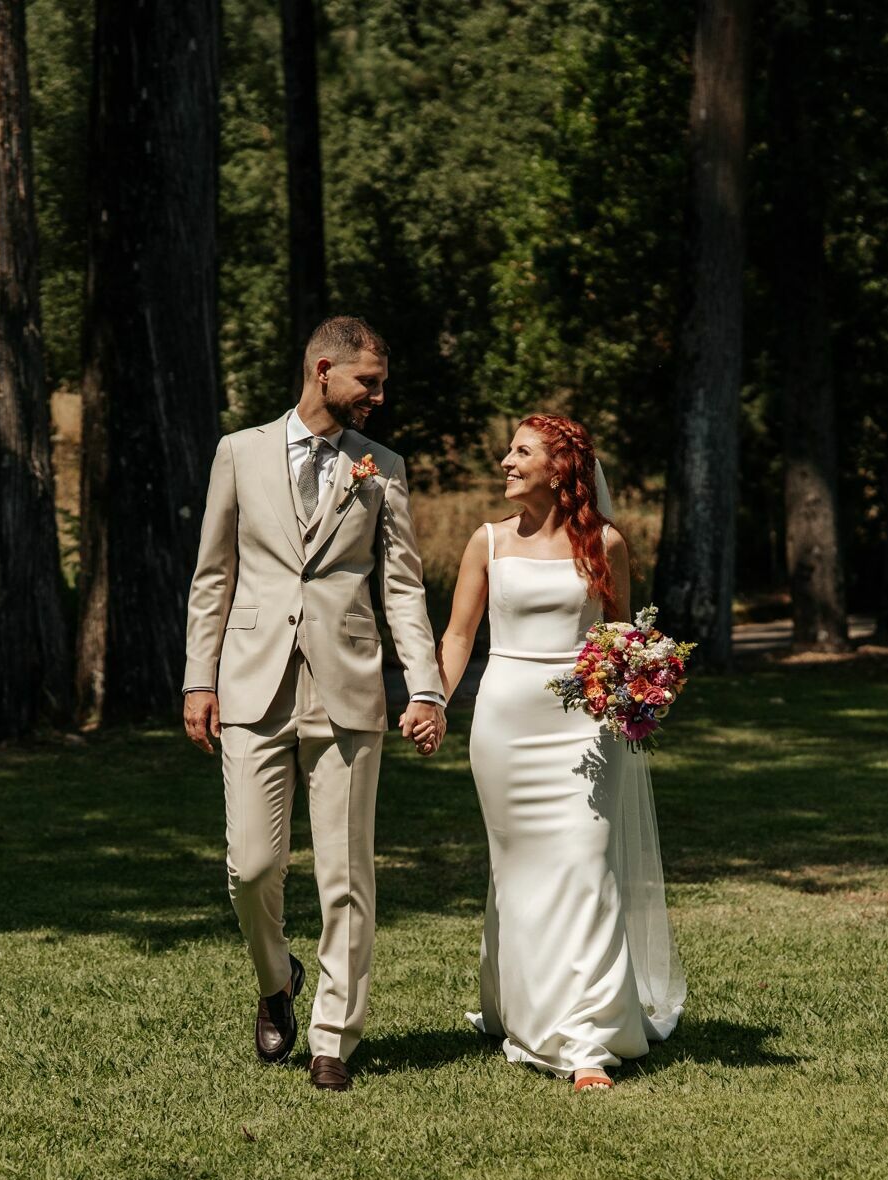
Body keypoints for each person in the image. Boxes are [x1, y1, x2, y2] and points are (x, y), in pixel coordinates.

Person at [181, 316, 447, 1094]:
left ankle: (335, 1033)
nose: (379, 395)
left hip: (348, 684)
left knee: (345, 872)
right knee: (251, 867)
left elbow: (401, 586)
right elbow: (212, 575)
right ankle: (276, 980)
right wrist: (200, 678)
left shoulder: (383, 467)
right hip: (252, 679)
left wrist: (422, 685)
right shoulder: (240, 453)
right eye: (368, 381)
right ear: (323, 370)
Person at [435, 414, 687, 1092]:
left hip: (582, 729)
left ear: (560, 467)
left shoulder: (605, 543)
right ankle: (514, 1005)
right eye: (509, 450)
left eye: (522, 451)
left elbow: (616, 638)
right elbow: (459, 637)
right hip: (504, 725)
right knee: (517, 873)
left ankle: (583, 1042)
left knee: (583, 864)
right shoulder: (485, 542)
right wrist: (432, 700)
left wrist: (642, 684)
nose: (506, 460)